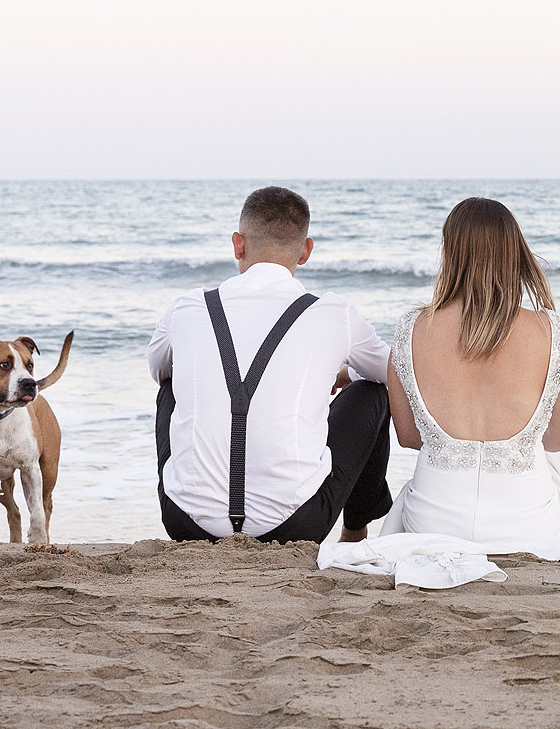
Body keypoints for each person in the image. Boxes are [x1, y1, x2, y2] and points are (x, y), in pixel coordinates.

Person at [148, 186, 393, 544]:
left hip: (185, 524)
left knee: (170, 385)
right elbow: (393, 371)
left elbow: (158, 371)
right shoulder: (333, 313)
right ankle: (355, 530)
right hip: (296, 527)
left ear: (238, 244)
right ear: (306, 251)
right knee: (372, 392)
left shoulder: (187, 307)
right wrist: (348, 373)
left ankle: (197, 495)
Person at [383, 197, 560, 548]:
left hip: (434, 521)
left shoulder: (411, 329)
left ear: (450, 252)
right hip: (528, 524)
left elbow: (408, 437)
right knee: (556, 481)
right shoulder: (550, 331)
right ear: (515, 254)